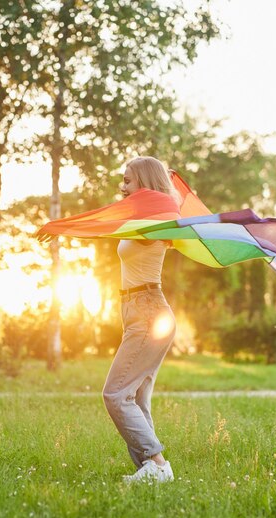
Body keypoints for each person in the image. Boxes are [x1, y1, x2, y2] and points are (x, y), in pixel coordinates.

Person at [102, 156, 179, 484]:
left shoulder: (152, 223)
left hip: (148, 310)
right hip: (138, 310)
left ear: (145, 183)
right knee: (135, 396)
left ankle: (158, 465)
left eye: (129, 180)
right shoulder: (141, 218)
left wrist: (66, 226)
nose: (123, 185)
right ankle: (150, 470)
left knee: (115, 394)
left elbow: (106, 223)